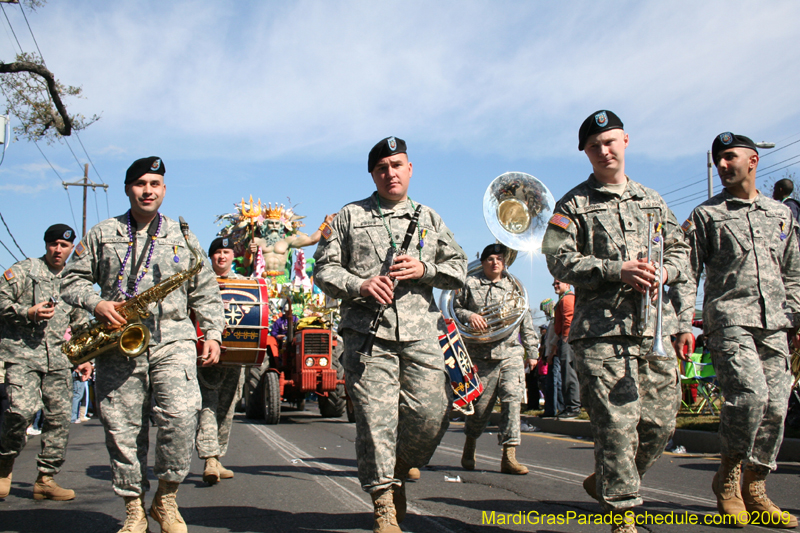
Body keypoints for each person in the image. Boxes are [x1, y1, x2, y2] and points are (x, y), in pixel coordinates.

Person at [541, 110, 689, 533]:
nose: (604, 151)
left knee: (660, 425)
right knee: (618, 428)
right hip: (602, 334)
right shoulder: (571, 205)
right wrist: (615, 270)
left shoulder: (653, 201)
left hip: (650, 327)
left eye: (610, 141)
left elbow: (679, 252)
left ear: (626, 140)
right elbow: (558, 259)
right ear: (584, 152)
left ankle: (608, 479)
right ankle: (623, 515)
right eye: (594, 146)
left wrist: (665, 272)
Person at [61, 157, 224, 533]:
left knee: (182, 419)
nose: (147, 190)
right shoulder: (102, 233)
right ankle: (134, 507)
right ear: (127, 189)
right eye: (140, 184)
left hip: (174, 340)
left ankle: (166, 499)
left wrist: (213, 333)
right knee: (122, 428)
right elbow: (71, 282)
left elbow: (205, 290)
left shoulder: (184, 234)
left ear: (164, 190)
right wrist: (97, 303)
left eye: (155, 183)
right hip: (120, 343)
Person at [313, 136, 467, 533]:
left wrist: (425, 269)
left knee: (433, 414)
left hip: (420, 334)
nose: (390, 173)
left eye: (397, 165)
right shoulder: (349, 216)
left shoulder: (429, 218)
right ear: (372, 174)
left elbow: (460, 267)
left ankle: (396, 470)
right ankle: (383, 502)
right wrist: (360, 285)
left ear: (409, 169)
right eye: (382, 167)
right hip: (368, 337)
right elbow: (324, 270)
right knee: (375, 419)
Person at [675, 133, 800, 528]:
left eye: (730, 157)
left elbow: (794, 272)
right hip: (729, 320)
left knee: (777, 407)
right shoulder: (705, 216)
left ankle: (756, 484)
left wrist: (796, 318)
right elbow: (684, 273)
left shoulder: (781, 214)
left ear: (753, 160)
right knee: (749, 396)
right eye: (718, 160)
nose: (723, 165)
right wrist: (682, 325)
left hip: (776, 324)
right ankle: (728, 477)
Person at [0, 224, 92, 501]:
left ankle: (46, 479)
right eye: (53, 244)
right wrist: (26, 312)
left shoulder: (71, 281)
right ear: (46, 245)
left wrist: (84, 359)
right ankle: (4, 465)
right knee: (21, 412)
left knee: (59, 420)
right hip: (22, 355)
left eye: (64, 246)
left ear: (70, 248)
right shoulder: (25, 271)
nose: (58, 250)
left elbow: (79, 323)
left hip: (59, 361)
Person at [454, 243, 538, 475]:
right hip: (481, 356)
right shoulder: (468, 283)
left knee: (512, 402)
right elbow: (455, 309)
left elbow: (525, 319)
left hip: (510, 353)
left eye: (500, 258)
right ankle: (470, 444)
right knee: (480, 410)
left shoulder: (514, 287)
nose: (495, 262)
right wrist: (470, 315)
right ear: (482, 262)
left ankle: (509, 455)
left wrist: (532, 352)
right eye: (490, 258)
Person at [196, 237, 246, 486]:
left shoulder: (246, 285)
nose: (222, 256)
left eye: (226, 252)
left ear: (233, 256)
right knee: (209, 403)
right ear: (210, 257)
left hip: (236, 355)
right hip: (206, 354)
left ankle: (216, 456)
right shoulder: (200, 283)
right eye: (217, 252)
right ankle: (209, 460)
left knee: (227, 406)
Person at [552, 279, 580, 418]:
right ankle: (569, 405)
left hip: (567, 340)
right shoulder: (564, 298)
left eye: (558, 283)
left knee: (569, 374)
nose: (555, 286)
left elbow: (568, 319)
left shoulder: (567, 299)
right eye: (554, 284)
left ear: (567, 284)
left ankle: (573, 407)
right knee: (565, 374)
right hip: (564, 339)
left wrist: (564, 337)